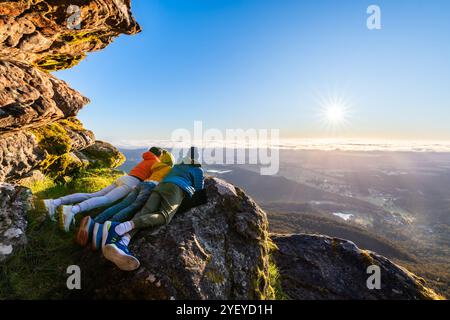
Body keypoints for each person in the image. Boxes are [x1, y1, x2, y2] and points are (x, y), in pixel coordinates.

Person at [101, 148, 204, 271]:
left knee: (145, 212)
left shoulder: (178, 165)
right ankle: (119, 227)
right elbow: (199, 192)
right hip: (175, 189)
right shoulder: (197, 169)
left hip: (160, 186)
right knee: (164, 216)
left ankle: (122, 242)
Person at [39, 147, 163, 232]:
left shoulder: (145, 159)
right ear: (159, 155)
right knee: (106, 200)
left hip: (124, 178)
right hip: (132, 182)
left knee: (92, 195)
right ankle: (72, 210)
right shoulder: (156, 162)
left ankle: (54, 202)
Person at [75, 150, 175, 248]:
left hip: (142, 184)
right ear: (171, 163)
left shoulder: (157, 167)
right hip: (150, 187)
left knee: (121, 205)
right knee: (132, 208)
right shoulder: (170, 170)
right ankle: (104, 227)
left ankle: (94, 222)